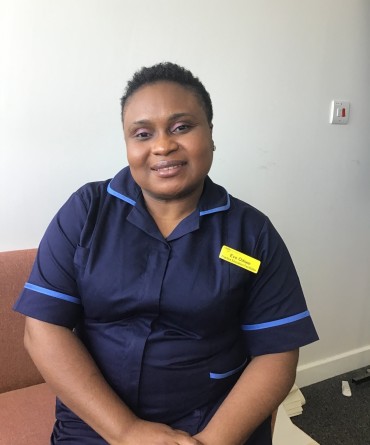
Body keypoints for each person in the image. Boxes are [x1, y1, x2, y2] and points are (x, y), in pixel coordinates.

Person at [14, 62, 318, 445]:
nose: (162, 146)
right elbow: (43, 328)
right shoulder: (86, 211)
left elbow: (277, 353)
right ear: (127, 145)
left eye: (181, 127)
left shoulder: (252, 233)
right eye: (142, 133)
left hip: (212, 422)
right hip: (98, 422)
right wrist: (126, 432)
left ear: (210, 135)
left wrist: (211, 441)